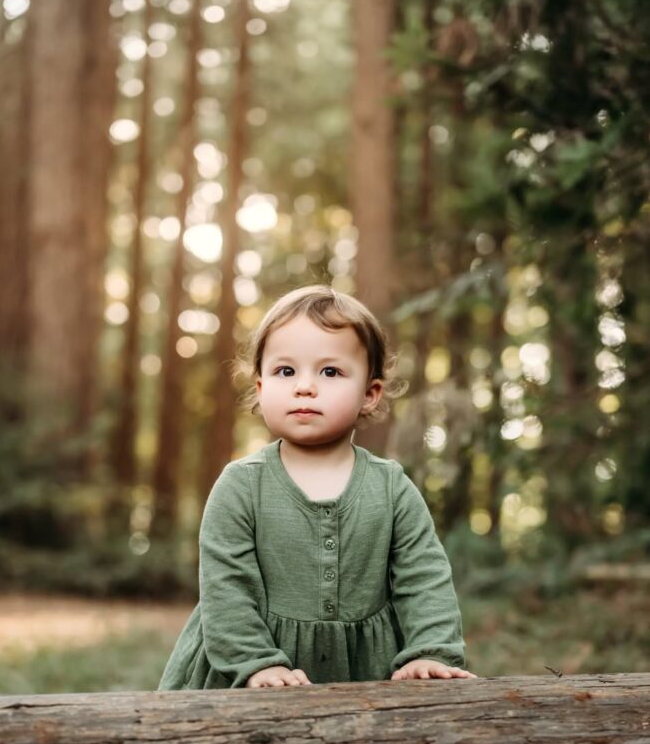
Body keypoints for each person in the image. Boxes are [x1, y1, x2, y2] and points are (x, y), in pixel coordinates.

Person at [159, 284, 476, 691]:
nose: (304, 386)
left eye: (330, 371)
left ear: (369, 393)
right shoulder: (241, 485)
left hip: (365, 671)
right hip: (243, 674)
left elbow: (424, 576)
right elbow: (226, 589)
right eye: (285, 371)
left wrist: (431, 650)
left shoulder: (391, 487)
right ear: (260, 388)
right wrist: (256, 664)